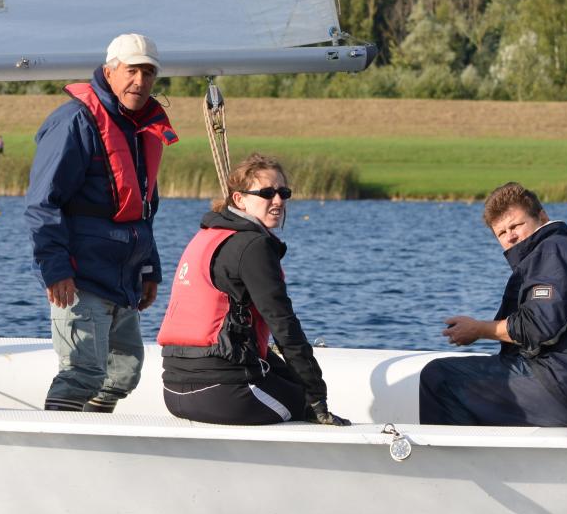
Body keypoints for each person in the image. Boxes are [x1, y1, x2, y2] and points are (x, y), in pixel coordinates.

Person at [25, 33, 178, 412]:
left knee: (123, 375)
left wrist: (149, 269)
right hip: (80, 278)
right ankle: (56, 442)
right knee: (83, 374)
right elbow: (43, 203)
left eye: (148, 73)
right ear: (109, 72)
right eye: (131, 71)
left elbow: (143, 209)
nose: (139, 81)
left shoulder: (140, 127)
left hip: (123, 278)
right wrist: (55, 269)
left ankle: (92, 433)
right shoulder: (75, 121)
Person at [157, 153, 350, 426]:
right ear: (239, 199)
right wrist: (317, 397)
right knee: (303, 404)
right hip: (221, 392)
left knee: (289, 383)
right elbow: (283, 324)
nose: (278, 201)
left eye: (284, 193)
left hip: (175, 391)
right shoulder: (253, 246)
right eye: (267, 193)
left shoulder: (208, 234)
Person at [419, 182, 567, 437]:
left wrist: (478, 329)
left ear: (542, 218)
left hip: (563, 386)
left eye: (515, 225)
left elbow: (538, 327)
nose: (510, 236)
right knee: (476, 374)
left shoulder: (553, 250)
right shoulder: (555, 253)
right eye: (502, 233)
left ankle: (451, 462)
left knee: (438, 377)